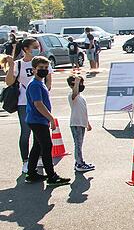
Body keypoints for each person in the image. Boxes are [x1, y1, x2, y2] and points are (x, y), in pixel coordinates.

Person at [5, 37, 50, 174]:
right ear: (25, 49)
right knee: (26, 132)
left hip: (40, 102)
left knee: (40, 133)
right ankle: (26, 161)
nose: (37, 49)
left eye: (38, 46)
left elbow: (48, 82)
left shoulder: (42, 62)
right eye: (34, 47)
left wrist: (44, 96)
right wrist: (12, 65)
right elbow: (9, 82)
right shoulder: (19, 64)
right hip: (24, 103)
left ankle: (39, 158)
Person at [23, 56, 70, 186]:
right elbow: (38, 104)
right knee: (46, 146)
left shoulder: (39, 83)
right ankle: (51, 176)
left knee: (37, 146)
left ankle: (31, 173)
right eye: (40, 68)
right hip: (37, 120)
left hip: (37, 120)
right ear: (33, 70)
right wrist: (51, 118)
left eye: (45, 68)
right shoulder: (34, 85)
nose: (43, 70)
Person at [67, 75, 94, 172]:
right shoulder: (72, 95)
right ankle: (79, 163)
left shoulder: (81, 97)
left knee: (80, 143)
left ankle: (79, 161)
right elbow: (74, 93)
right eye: (79, 83)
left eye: (82, 83)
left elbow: (84, 111)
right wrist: (76, 83)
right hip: (76, 123)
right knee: (78, 144)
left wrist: (88, 123)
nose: (81, 85)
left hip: (82, 123)